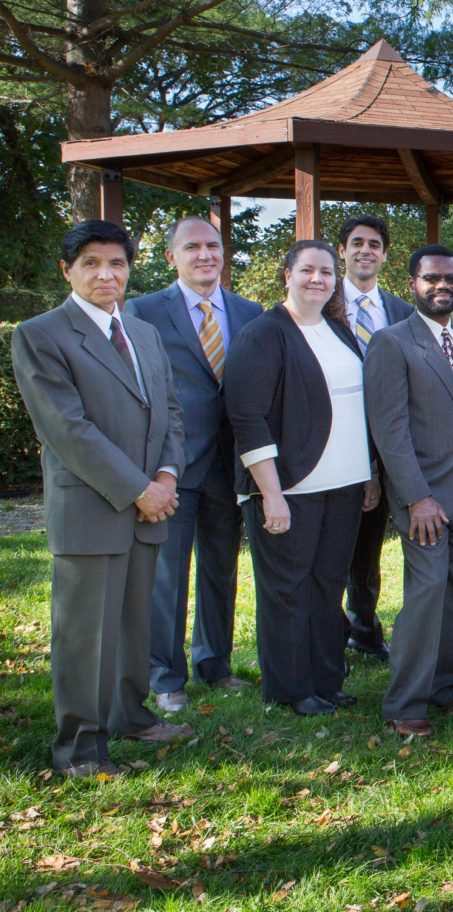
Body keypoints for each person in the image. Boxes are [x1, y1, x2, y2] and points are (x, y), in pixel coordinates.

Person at [12, 220, 193, 777]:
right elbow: (68, 430)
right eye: (90, 263)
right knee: (87, 636)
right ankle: (80, 749)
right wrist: (139, 490)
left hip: (149, 506)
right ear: (67, 270)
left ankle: (131, 716)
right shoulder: (41, 334)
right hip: (93, 508)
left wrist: (165, 476)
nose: (105, 274)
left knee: (135, 624)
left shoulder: (142, 333)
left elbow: (170, 413)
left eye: (115, 263)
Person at [226, 240, 375, 716]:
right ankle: (290, 689)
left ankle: (326, 681)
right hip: (289, 487)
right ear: (286, 275)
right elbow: (247, 417)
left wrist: (368, 474)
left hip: (344, 485)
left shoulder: (338, 330)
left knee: (328, 584)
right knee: (287, 590)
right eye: (307, 270)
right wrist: (270, 493)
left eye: (326, 272)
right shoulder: (264, 334)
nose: (317, 279)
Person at [127, 216, 262, 711]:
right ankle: (165, 678)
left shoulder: (250, 312)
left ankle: (215, 664)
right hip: (171, 467)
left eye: (213, 246)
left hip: (231, 466)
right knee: (168, 575)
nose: (205, 255)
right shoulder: (141, 311)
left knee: (220, 569)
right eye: (192, 247)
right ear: (171, 257)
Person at [365, 244, 453, 737]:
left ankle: (446, 685)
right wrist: (416, 496)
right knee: (427, 592)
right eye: (432, 278)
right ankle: (405, 702)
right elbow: (389, 429)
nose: (443, 286)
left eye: (451, 278)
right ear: (412, 283)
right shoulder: (391, 343)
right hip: (423, 497)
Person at [338, 215, 414, 663]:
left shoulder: (401, 312)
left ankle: (364, 628)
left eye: (374, 245)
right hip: (332, 445)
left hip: (389, 447)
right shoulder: (321, 305)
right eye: (357, 243)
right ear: (343, 251)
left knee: (368, 547)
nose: (365, 250)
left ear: (385, 254)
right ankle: (329, 632)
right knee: (334, 548)